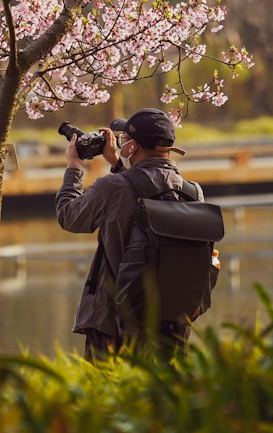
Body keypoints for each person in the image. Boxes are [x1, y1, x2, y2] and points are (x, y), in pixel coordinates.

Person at [55, 106, 202, 360]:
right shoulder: (192, 192)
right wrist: (118, 163)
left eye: (124, 140)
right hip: (171, 325)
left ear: (132, 147)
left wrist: (74, 165)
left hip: (114, 324)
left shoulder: (113, 187)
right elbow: (147, 191)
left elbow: (69, 216)